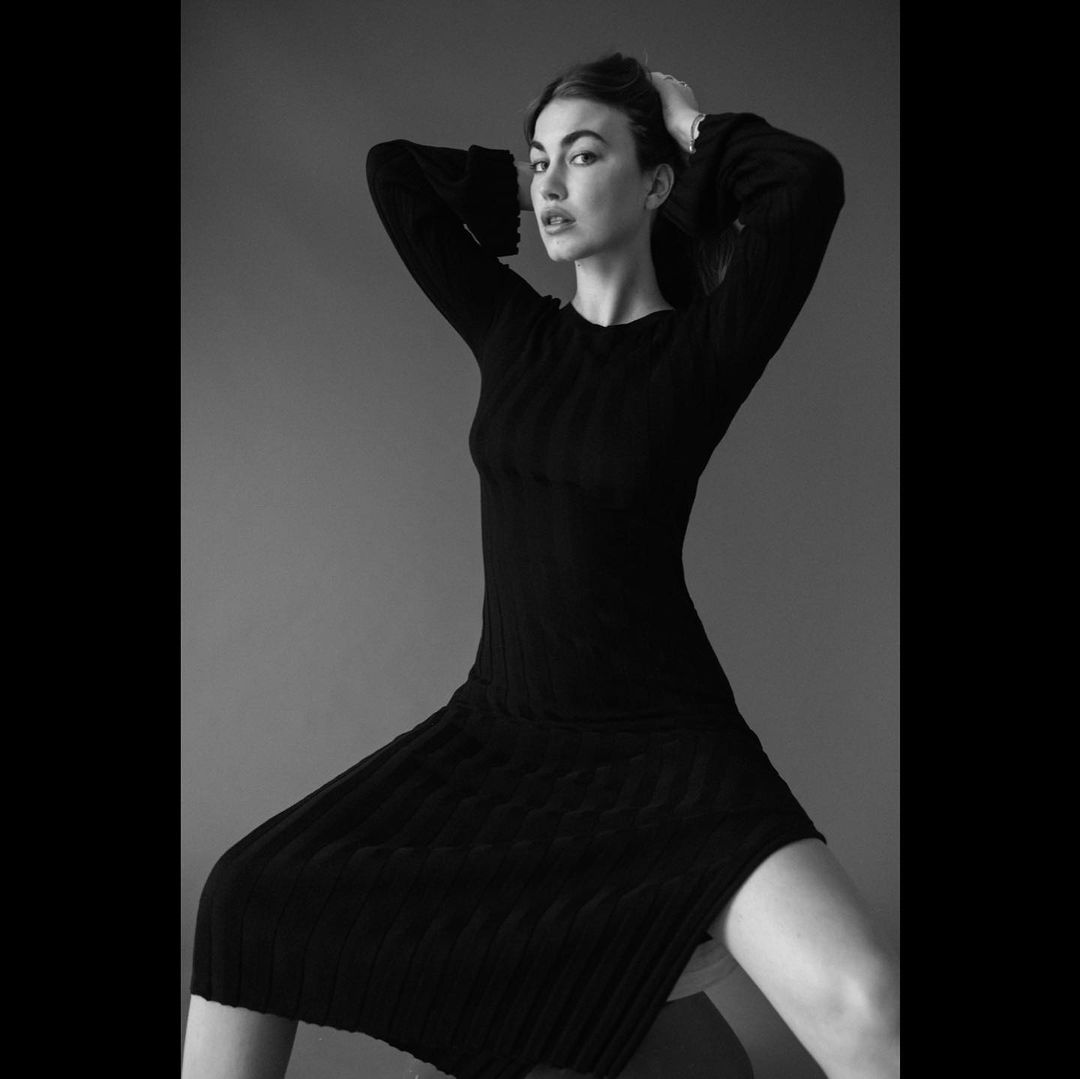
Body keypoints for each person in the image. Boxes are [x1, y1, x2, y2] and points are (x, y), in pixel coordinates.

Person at [181, 52, 899, 1079]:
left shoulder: (700, 352)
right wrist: (519, 185)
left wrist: (687, 122)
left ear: (655, 183)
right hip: (503, 739)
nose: (550, 181)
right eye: (539, 159)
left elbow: (807, 182)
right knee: (245, 897)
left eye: (585, 155)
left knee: (868, 1006)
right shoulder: (513, 330)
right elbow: (394, 173)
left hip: (667, 752)